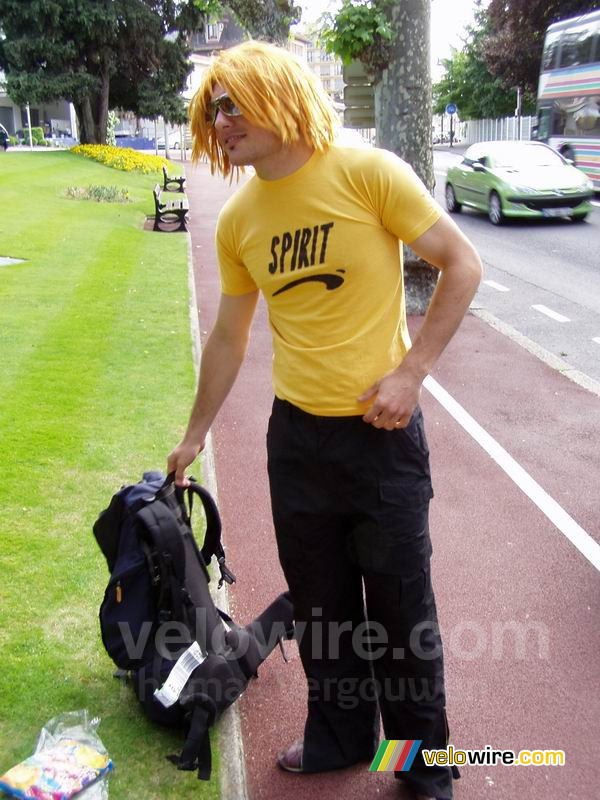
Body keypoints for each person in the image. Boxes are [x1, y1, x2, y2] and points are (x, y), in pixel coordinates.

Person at [168, 41, 482, 800]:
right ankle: (341, 740)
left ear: (279, 95)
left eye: (234, 101)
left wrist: (412, 374)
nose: (222, 119)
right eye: (213, 109)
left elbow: (461, 263)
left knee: (401, 608)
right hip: (297, 440)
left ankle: (420, 764)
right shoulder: (241, 218)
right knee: (322, 606)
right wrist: (194, 433)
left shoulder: (366, 172)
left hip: (381, 440)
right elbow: (229, 335)